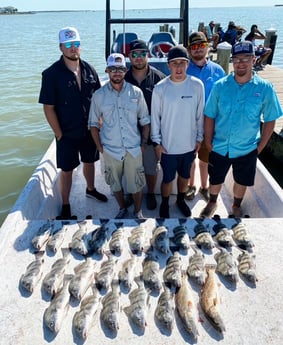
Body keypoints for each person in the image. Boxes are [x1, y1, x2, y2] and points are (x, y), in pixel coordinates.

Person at [200, 41, 282, 218]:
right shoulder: (220, 86)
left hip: (247, 147)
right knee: (215, 177)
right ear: (232, 61)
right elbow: (209, 115)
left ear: (254, 59)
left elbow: (270, 120)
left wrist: (261, 146)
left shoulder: (265, 88)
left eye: (246, 58)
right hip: (220, 144)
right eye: (237, 59)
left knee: (241, 180)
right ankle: (213, 201)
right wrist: (208, 140)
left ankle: (236, 205)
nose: (241, 63)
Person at [39, 26, 107, 220]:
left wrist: (99, 122)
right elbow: (48, 107)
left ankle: (91, 189)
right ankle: (66, 204)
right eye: (68, 45)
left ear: (80, 47)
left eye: (76, 44)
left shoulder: (89, 69)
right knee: (67, 170)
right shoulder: (51, 74)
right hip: (66, 133)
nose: (73, 48)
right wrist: (59, 134)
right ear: (61, 47)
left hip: (88, 129)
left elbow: (98, 98)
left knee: (89, 162)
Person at [88, 53, 150, 219]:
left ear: (125, 70)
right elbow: (93, 124)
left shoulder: (136, 93)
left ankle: (137, 211)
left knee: (136, 184)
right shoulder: (98, 95)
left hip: (133, 149)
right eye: (113, 69)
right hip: (110, 149)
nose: (117, 72)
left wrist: (143, 144)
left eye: (121, 69)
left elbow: (145, 120)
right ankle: (122, 208)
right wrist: (100, 147)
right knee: (114, 184)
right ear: (107, 70)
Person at [151, 46, 205, 218]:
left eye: (182, 63)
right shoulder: (160, 88)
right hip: (168, 147)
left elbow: (200, 115)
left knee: (184, 177)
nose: (179, 67)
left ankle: (180, 200)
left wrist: (199, 138)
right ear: (169, 66)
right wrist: (157, 143)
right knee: (167, 179)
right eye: (175, 64)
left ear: (188, 65)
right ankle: (165, 203)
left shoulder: (197, 86)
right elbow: (155, 118)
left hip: (189, 146)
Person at [125, 39, 166, 210]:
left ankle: (149, 193)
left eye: (143, 54)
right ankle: (133, 193)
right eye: (135, 54)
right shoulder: (123, 78)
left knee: (150, 168)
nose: (139, 58)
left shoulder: (160, 78)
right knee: (131, 168)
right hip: (128, 134)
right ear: (130, 57)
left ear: (148, 55)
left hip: (152, 133)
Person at [185, 32, 226, 202]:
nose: (198, 50)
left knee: (205, 158)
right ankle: (190, 185)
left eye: (201, 46)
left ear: (207, 47)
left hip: (211, 124)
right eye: (194, 47)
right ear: (189, 50)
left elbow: (225, 97)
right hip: (188, 123)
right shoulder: (184, 69)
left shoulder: (218, 70)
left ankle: (204, 186)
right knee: (190, 157)